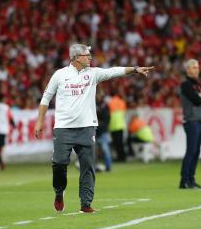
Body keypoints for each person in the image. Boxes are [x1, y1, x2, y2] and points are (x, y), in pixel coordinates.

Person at [34, 43, 154, 213]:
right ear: (76, 58)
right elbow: (45, 98)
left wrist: (135, 69)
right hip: (64, 128)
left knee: (88, 166)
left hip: (87, 128)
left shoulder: (93, 74)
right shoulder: (59, 75)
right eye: (86, 55)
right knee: (59, 163)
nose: (90, 57)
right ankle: (59, 192)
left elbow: (114, 71)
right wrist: (39, 122)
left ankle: (86, 204)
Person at [179, 59, 201, 189]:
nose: (197, 70)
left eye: (197, 67)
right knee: (191, 150)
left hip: (198, 119)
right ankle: (184, 180)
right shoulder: (186, 85)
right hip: (191, 119)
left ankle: (191, 179)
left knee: (196, 151)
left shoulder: (196, 84)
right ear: (188, 70)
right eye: (194, 68)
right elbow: (197, 100)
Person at [108, 92, 127, 162]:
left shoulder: (110, 102)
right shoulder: (122, 102)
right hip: (121, 125)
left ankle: (119, 157)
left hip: (113, 125)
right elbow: (124, 112)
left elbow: (109, 114)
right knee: (121, 143)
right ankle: (123, 157)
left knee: (116, 143)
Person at [96, 91, 112, 172]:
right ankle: (95, 166)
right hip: (94, 131)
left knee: (105, 149)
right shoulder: (93, 105)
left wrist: (99, 123)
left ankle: (108, 166)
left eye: (99, 95)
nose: (98, 96)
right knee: (93, 150)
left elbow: (107, 120)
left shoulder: (105, 106)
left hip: (103, 131)